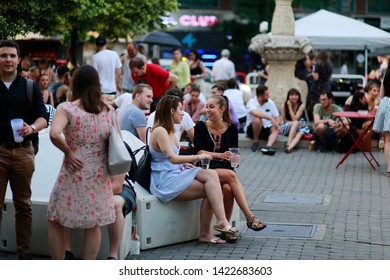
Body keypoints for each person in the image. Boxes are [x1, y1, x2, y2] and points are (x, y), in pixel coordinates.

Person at [47, 65, 117, 259]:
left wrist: (68, 152)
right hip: (99, 174)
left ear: (74, 82)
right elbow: (117, 140)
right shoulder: (108, 110)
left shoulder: (67, 109)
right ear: (97, 84)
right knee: (93, 224)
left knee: (56, 218)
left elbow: (54, 133)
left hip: (73, 170)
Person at [149, 95, 237, 244]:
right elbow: (172, 158)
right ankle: (208, 231)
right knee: (213, 188)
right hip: (165, 179)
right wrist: (197, 157)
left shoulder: (170, 130)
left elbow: (173, 160)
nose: (183, 114)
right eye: (180, 110)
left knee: (211, 175)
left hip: (175, 172)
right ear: (171, 111)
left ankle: (220, 221)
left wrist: (184, 165)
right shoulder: (160, 131)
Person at [193, 95, 266, 242]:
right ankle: (249, 217)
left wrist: (235, 160)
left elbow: (234, 152)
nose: (207, 110)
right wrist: (219, 155)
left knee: (227, 188)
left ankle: (225, 230)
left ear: (222, 109)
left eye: (211, 107)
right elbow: (199, 152)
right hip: (206, 168)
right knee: (231, 176)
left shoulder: (232, 127)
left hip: (225, 169)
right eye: (207, 106)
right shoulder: (201, 126)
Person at [0, 40, 48, 260]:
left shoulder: (29, 87)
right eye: (3, 56)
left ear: (19, 60)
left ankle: (24, 253)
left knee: (23, 204)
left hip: (23, 151)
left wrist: (32, 127)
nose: (8, 60)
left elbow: (43, 118)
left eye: (11, 56)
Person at [245, 84, 281, 155]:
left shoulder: (270, 102)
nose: (269, 97)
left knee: (276, 128)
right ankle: (255, 143)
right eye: (267, 95)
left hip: (267, 128)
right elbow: (256, 113)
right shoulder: (251, 102)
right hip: (252, 130)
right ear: (261, 96)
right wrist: (270, 118)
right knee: (257, 119)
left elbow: (277, 116)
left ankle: (268, 147)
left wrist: (277, 123)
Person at [107, 173, 136, 260]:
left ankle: (113, 255)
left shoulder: (118, 159)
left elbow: (117, 187)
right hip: (90, 187)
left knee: (115, 204)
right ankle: (67, 252)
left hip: (122, 187)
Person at [373, 63, 390, 177]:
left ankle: (389, 168)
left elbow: (382, 94)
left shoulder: (386, 74)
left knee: (387, 140)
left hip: (386, 104)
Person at [280, 88, 308, 153]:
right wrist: (289, 107)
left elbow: (295, 118)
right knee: (295, 123)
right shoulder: (284, 105)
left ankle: (289, 148)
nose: (294, 97)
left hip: (300, 126)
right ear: (288, 96)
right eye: (292, 95)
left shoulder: (301, 106)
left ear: (299, 96)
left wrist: (298, 123)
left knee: (300, 133)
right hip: (287, 125)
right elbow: (285, 120)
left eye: (296, 95)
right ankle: (289, 143)